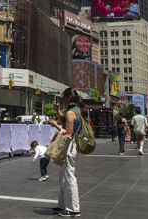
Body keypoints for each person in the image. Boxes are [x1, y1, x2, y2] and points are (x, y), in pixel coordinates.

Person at [48, 88, 82, 218]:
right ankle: (62, 205)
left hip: (69, 146)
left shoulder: (70, 113)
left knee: (69, 176)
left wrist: (54, 125)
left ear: (67, 97)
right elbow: (66, 120)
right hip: (72, 146)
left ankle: (73, 209)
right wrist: (57, 110)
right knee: (64, 176)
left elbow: (67, 134)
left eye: (63, 97)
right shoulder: (76, 110)